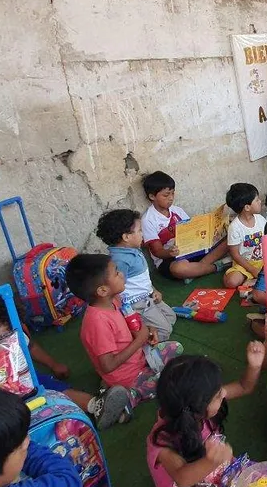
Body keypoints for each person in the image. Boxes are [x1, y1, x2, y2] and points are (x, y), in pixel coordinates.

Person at [0, 298, 132, 430]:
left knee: (52, 387)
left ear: (8, 322)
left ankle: (97, 405)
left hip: (25, 381)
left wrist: (54, 364)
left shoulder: (14, 336)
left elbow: (31, 348)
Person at [147, 346, 264, 487]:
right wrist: (211, 461)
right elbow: (183, 478)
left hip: (217, 479)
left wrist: (255, 365)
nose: (223, 394)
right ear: (199, 406)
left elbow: (244, 386)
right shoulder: (162, 441)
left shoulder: (198, 402)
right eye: (218, 395)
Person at [67, 254, 184, 401]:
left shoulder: (115, 300)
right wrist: (140, 340)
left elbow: (132, 322)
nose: (122, 274)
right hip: (126, 376)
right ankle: (128, 397)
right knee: (168, 382)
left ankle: (125, 385)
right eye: (116, 273)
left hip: (141, 357)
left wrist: (148, 329)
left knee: (176, 347)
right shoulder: (97, 322)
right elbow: (108, 365)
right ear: (103, 291)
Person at [96, 208, 178, 340]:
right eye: (140, 230)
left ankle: (148, 324)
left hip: (147, 296)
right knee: (165, 331)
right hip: (136, 304)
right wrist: (128, 312)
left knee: (171, 317)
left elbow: (141, 279)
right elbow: (116, 289)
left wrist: (153, 290)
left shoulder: (133, 250)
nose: (142, 233)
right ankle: (139, 339)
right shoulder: (120, 260)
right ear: (126, 237)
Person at [140, 171, 230, 281]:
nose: (171, 198)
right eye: (166, 195)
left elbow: (192, 230)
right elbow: (157, 251)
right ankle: (215, 267)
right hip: (170, 260)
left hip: (191, 251)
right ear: (152, 196)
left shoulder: (177, 210)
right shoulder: (148, 219)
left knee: (229, 239)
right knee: (180, 269)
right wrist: (169, 252)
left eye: (173, 193)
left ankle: (195, 270)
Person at [223, 182, 266, 289]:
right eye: (257, 200)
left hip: (263, 261)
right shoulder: (235, 227)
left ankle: (254, 279)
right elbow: (235, 255)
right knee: (231, 282)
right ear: (247, 207)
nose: (260, 201)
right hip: (244, 264)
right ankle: (249, 277)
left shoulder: (260, 219)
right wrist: (252, 270)